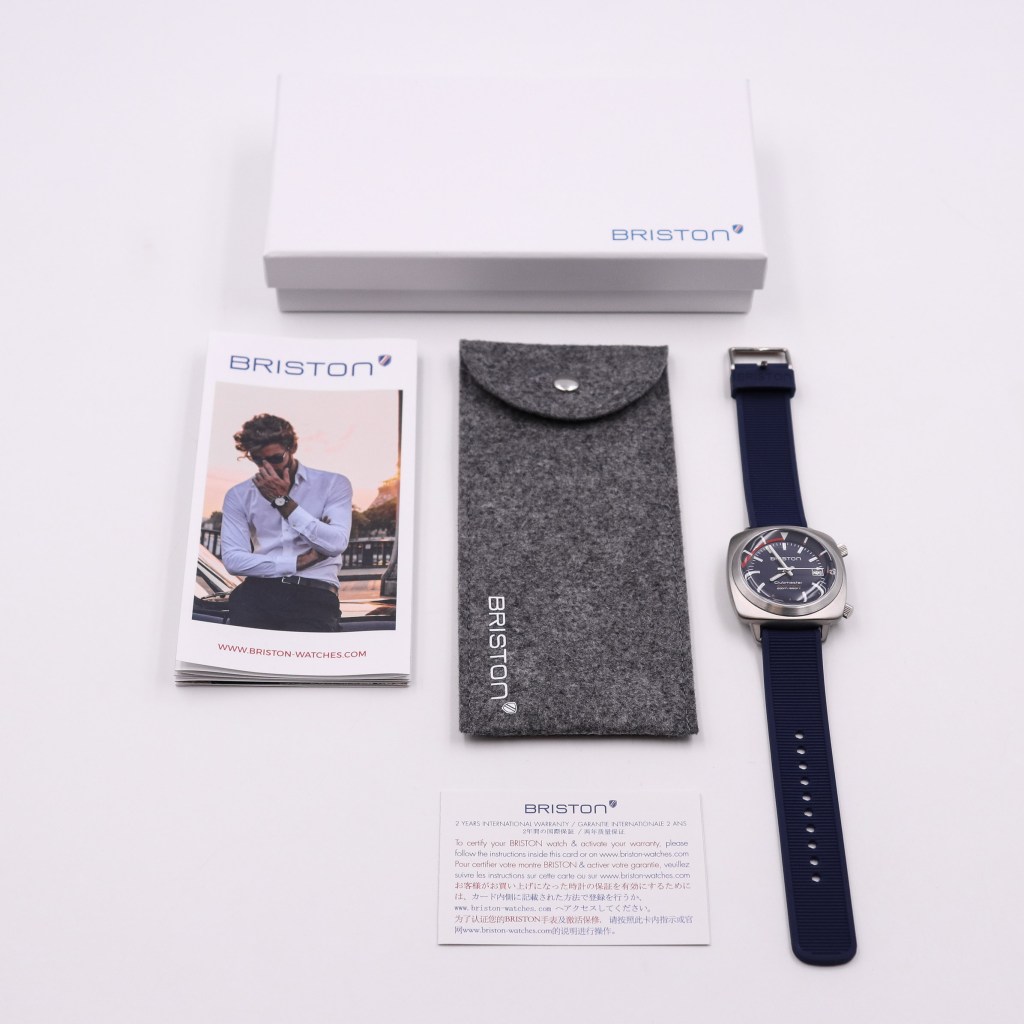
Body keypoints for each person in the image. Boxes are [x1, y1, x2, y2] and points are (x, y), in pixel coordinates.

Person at [220, 413, 352, 632]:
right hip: (257, 594)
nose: (268, 467)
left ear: (292, 448)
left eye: (275, 459)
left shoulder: (332, 484)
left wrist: (282, 501)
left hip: (314, 596)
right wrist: (299, 561)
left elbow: (336, 543)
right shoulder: (239, 495)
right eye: (258, 460)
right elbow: (233, 560)